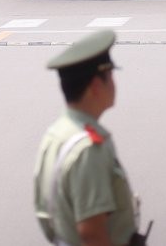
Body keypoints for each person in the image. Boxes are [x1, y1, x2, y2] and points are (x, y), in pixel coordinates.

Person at [34, 30, 150, 246]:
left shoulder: (56, 134)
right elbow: (92, 232)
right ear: (96, 86)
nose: (115, 84)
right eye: (111, 76)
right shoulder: (89, 148)